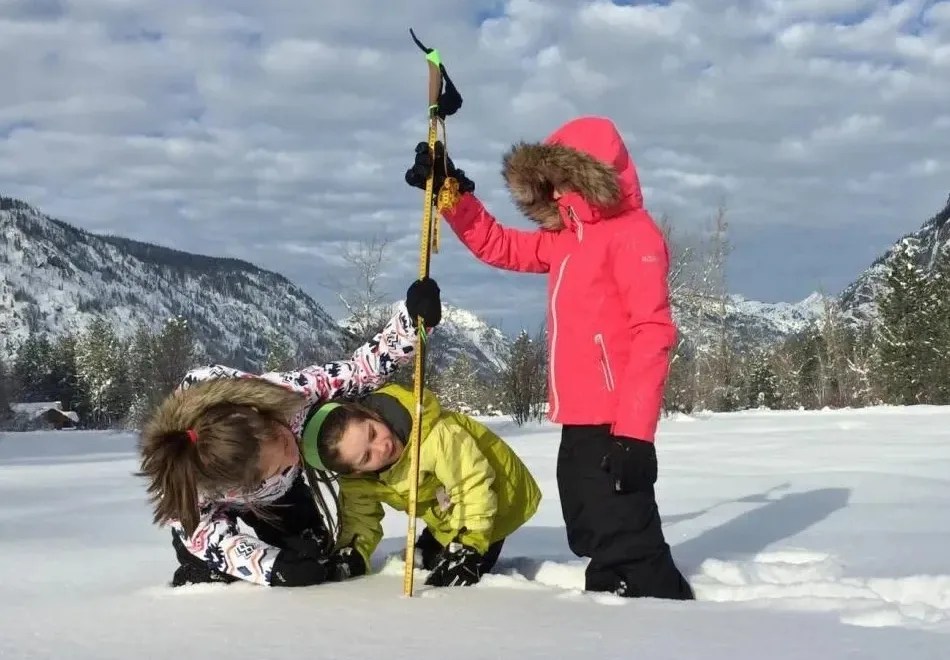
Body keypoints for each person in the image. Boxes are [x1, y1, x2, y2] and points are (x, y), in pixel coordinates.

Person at [404, 116, 694, 600]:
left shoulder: (633, 235)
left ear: (589, 178)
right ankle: (613, 599)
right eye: (549, 185)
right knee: (589, 524)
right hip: (578, 413)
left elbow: (653, 332)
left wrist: (635, 437)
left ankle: (656, 609)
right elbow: (498, 245)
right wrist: (450, 194)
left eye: (561, 183)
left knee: (625, 533)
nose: (555, 195)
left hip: (614, 419)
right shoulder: (567, 241)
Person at [137, 278, 442, 588]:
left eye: (284, 440)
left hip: (279, 497)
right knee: (208, 568)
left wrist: (411, 323)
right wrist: (269, 566)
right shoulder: (185, 478)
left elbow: (359, 371)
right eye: (281, 466)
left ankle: (289, 519)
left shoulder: (285, 396)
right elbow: (202, 535)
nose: (295, 454)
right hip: (210, 513)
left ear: (260, 415)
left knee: (312, 557)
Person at [301, 382, 541, 588]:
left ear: (371, 415)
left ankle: (468, 544)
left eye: (373, 434)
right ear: (355, 471)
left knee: (455, 577)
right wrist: (353, 552)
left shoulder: (435, 436)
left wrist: (468, 545)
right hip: (446, 506)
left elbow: (471, 484)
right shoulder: (358, 479)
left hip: (497, 499)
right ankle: (444, 539)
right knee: (429, 558)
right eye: (366, 457)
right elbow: (359, 518)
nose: (381, 447)